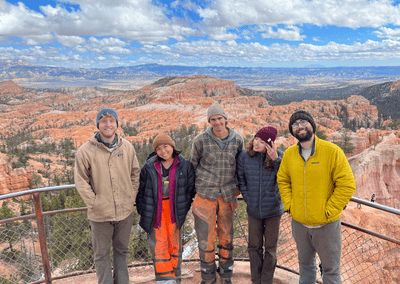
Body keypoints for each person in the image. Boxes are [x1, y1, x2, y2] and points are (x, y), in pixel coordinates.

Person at [277, 110, 356, 284]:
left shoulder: (331, 151)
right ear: (292, 131)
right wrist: (290, 205)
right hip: (299, 224)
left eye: (303, 122)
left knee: (331, 271)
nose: (300, 126)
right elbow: (283, 180)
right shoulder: (290, 154)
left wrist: (329, 211)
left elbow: (347, 184)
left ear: (312, 125)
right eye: (295, 125)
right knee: (305, 266)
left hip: (326, 225)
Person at [74, 108, 140, 284]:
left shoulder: (127, 147)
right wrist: (95, 203)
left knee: (122, 252)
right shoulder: (85, 151)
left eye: (112, 120)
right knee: (101, 255)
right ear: (98, 125)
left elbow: (135, 173)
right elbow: (81, 181)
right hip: (100, 214)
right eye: (104, 121)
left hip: (125, 212)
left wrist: (130, 196)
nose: (108, 124)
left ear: (117, 124)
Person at [189, 102, 244, 284]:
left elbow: (241, 167)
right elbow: (193, 166)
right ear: (209, 121)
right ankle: (208, 278)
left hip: (228, 197)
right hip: (205, 196)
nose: (217, 122)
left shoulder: (238, 140)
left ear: (225, 118)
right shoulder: (200, 140)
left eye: (219, 118)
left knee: (226, 237)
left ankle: (226, 275)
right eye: (213, 119)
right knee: (206, 239)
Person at [136, 133, 196, 284]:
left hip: (174, 211)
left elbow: (190, 190)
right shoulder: (149, 168)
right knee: (159, 246)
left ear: (172, 146)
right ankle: (165, 281)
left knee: (174, 246)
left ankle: (176, 279)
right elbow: (140, 192)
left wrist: (184, 208)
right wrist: (144, 211)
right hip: (155, 212)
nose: (163, 151)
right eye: (158, 148)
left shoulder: (185, 166)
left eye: (165, 146)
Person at [236, 126, 284, 284]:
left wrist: (276, 160)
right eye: (256, 139)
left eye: (262, 141)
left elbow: (284, 179)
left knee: (270, 249)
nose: (256, 143)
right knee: (254, 247)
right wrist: (248, 198)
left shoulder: (279, 157)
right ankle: (256, 280)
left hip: (273, 210)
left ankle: (266, 281)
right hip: (254, 210)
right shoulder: (244, 156)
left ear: (269, 144)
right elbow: (241, 180)